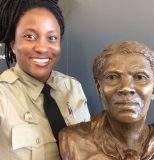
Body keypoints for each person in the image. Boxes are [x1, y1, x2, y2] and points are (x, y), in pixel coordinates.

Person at [0, 0, 90, 159]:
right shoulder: (2, 96)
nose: (42, 47)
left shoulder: (73, 87)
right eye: (30, 36)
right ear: (13, 44)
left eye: (52, 37)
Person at [59, 41, 154, 160]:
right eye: (112, 77)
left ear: (153, 89)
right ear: (98, 88)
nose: (126, 88)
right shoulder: (72, 141)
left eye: (140, 77)